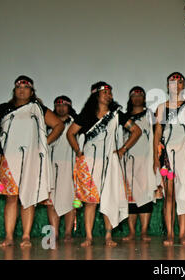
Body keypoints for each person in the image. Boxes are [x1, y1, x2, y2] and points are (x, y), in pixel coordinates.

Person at [0, 75, 64, 248]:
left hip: (31, 160)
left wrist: (44, 143)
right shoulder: (4, 108)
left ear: (31, 91)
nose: (22, 90)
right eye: (18, 87)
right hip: (9, 160)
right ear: (14, 90)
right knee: (12, 198)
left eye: (25, 87)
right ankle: (9, 237)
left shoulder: (38, 108)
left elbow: (58, 125)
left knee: (28, 198)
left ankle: (26, 237)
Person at [66, 81, 141, 247]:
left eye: (110, 92)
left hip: (110, 163)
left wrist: (122, 149)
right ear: (96, 95)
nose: (109, 95)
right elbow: (70, 133)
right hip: (89, 163)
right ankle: (89, 237)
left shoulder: (116, 115)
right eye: (105, 92)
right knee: (90, 202)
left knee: (110, 198)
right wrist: (78, 151)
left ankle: (108, 236)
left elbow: (136, 131)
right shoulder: (86, 115)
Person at [153, 72, 185, 246]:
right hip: (166, 153)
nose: (176, 84)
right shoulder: (161, 107)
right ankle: (170, 234)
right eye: (172, 81)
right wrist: (155, 158)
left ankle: (182, 234)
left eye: (180, 82)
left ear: (183, 86)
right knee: (169, 194)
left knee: (184, 192)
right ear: (167, 86)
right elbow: (157, 133)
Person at [121, 86, 158, 242]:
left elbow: (158, 135)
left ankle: (143, 231)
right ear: (130, 98)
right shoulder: (124, 117)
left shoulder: (150, 116)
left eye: (140, 95)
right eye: (134, 95)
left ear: (144, 98)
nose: (137, 98)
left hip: (146, 159)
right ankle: (131, 232)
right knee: (130, 198)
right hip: (128, 160)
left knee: (145, 195)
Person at [44, 95, 78, 242]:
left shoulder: (76, 123)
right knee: (51, 201)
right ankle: (54, 233)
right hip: (51, 165)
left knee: (70, 199)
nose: (61, 108)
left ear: (69, 107)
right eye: (57, 105)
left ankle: (68, 233)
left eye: (64, 105)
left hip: (70, 165)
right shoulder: (48, 124)